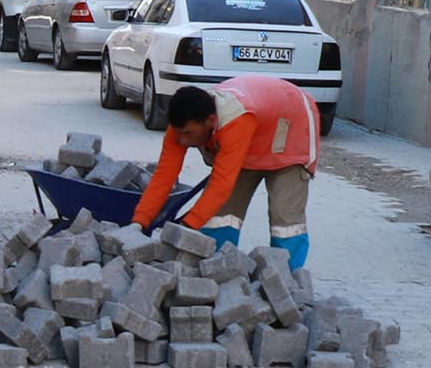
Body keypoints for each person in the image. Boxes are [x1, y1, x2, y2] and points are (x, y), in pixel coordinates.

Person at [132, 75, 319, 268]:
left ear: (211, 120)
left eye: (188, 134)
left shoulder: (235, 121)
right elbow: (164, 175)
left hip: (291, 124)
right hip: (254, 131)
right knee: (221, 215)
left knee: (285, 221)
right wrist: (139, 223)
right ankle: (216, 269)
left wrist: (186, 227)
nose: (183, 141)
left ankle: (288, 281)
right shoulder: (182, 125)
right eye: (179, 133)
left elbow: (221, 183)